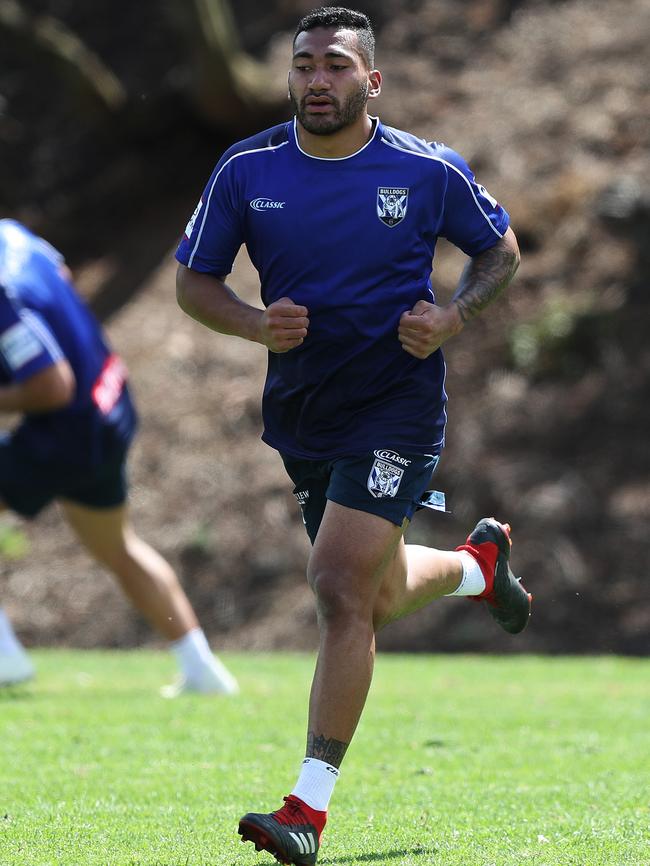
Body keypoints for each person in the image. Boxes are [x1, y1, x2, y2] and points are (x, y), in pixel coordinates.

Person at [175, 6, 531, 863]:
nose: (316, 81)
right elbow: (194, 283)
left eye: (335, 65)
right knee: (370, 592)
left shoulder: (425, 169)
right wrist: (258, 326)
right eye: (303, 65)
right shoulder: (247, 168)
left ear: (370, 80)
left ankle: (307, 808)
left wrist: (451, 318)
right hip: (305, 410)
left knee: (337, 585)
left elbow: (502, 251)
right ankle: (476, 568)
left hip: (397, 406)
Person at [0, 218, 238, 697]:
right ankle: (202, 671)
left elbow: (51, 385)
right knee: (118, 547)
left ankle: (6, 661)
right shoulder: (13, 236)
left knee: (118, 547)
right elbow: (61, 277)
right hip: (110, 403)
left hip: (69, 428)